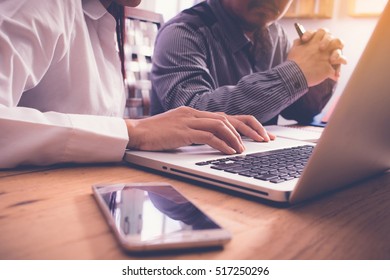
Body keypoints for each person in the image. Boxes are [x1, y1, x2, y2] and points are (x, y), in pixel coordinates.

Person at [0, 0, 275, 169]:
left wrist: (159, 128)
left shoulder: (105, 16)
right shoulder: (35, 5)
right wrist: (133, 131)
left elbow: (95, 121)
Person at [150, 0, 348, 125]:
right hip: (183, 173)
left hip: (254, 161)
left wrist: (322, 68)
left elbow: (301, 112)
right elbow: (195, 118)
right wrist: (296, 74)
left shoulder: (276, 34)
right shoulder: (182, 33)